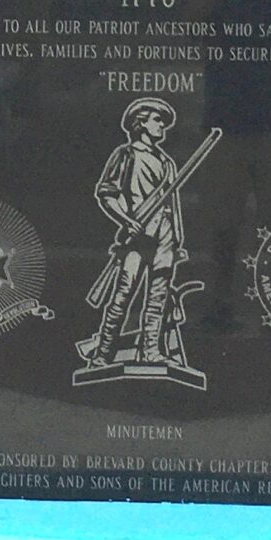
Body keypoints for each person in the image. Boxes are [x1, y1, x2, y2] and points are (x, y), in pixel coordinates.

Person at [77, 99, 187, 371]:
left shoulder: (167, 162)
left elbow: (173, 204)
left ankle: (151, 352)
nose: (162, 126)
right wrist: (127, 222)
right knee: (123, 295)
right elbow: (107, 194)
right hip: (138, 235)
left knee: (158, 297)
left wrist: (176, 239)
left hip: (165, 236)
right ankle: (103, 355)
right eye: (156, 120)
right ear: (141, 123)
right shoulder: (125, 154)